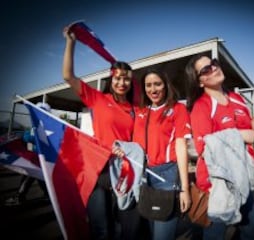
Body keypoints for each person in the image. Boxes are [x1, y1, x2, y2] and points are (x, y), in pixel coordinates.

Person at [184, 54, 254, 240]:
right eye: (206, 69)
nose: (214, 68)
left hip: (242, 177)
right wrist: (240, 135)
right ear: (200, 82)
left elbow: (251, 132)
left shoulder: (236, 98)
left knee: (253, 231)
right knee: (215, 235)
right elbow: (203, 146)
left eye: (214, 64)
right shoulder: (201, 106)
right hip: (217, 184)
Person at [63, 25, 141, 240]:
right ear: (111, 79)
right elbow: (68, 76)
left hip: (124, 172)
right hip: (98, 170)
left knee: (124, 229)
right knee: (101, 230)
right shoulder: (98, 99)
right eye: (117, 78)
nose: (121, 82)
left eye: (126, 78)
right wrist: (71, 42)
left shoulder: (136, 108)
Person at [126, 69, 191, 240]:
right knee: (150, 231)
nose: (153, 89)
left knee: (162, 236)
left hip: (167, 176)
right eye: (148, 85)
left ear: (166, 85)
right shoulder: (140, 111)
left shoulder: (177, 108)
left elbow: (181, 146)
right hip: (144, 175)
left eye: (157, 84)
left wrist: (185, 188)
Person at [4, 102, 51, 206]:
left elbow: (29, 138)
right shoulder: (43, 125)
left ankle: (20, 196)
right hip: (39, 157)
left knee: (29, 175)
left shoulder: (41, 126)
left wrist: (26, 135)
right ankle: (48, 196)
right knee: (39, 177)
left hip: (40, 158)